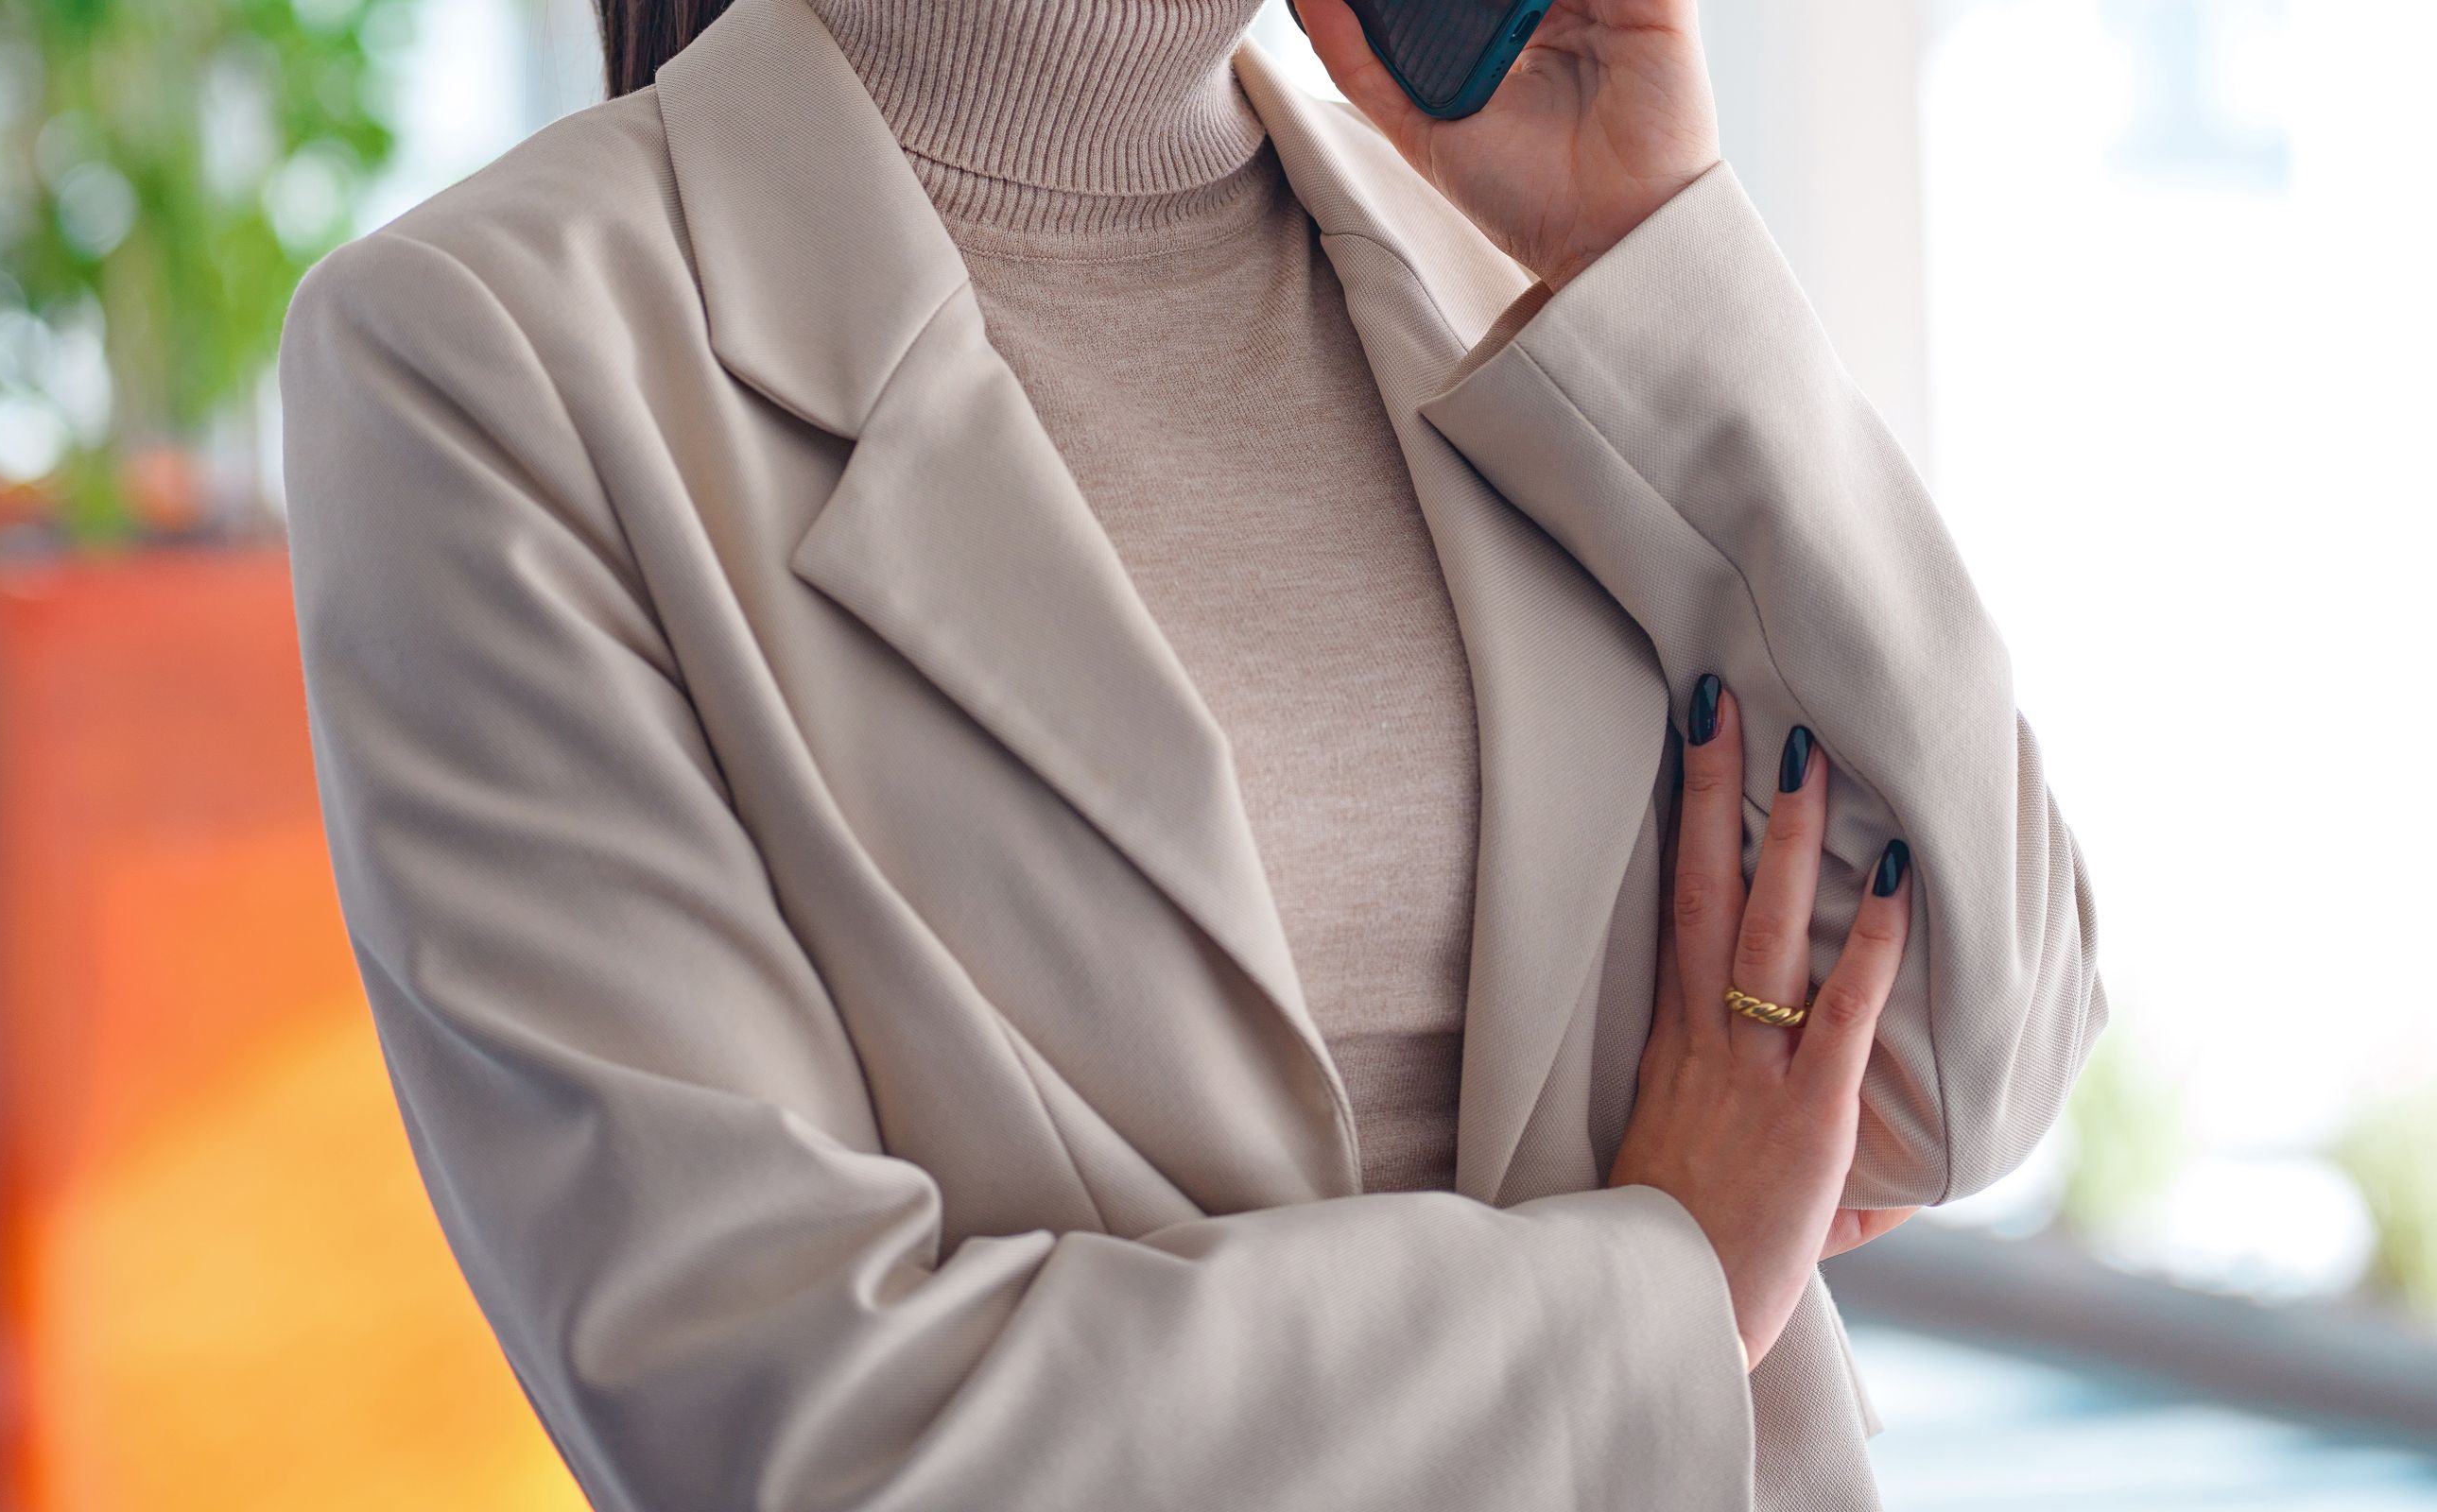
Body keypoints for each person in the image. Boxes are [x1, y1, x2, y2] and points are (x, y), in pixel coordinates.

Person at [276, 0, 2103, 1501]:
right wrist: (1664, 1290)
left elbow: (1964, 1054)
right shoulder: (489, 360)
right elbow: (813, 1436)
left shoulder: (1515, 257)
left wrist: (1654, 244)